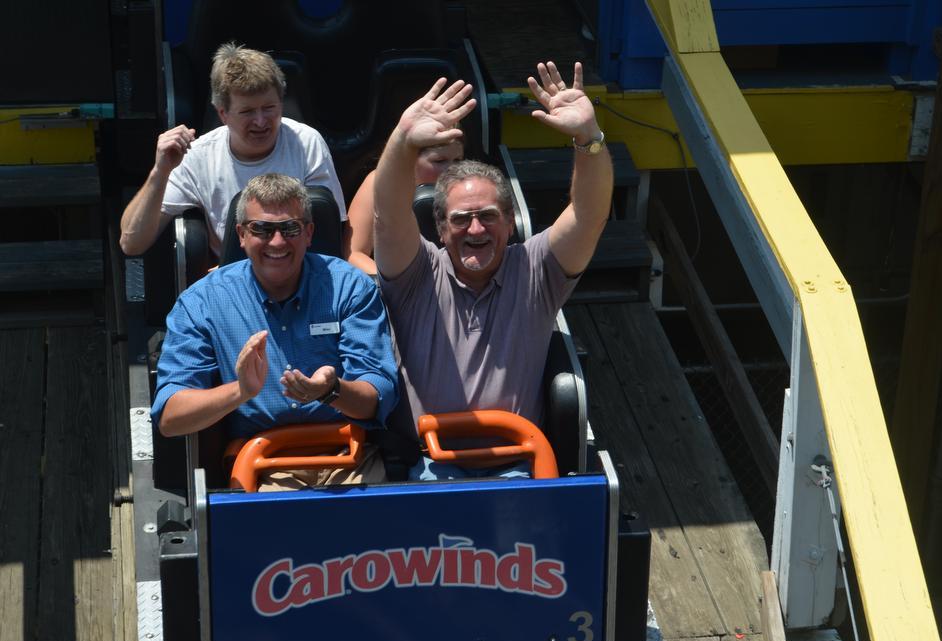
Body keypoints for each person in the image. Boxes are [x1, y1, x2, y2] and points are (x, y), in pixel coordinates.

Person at [371, 61, 612, 480]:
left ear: (509, 220)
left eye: (488, 216)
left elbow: (589, 215)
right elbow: (388, 214)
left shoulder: (535, 268)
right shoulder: (417, 272)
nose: (476, 229)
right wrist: (403, 140)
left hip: (519, 466)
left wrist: (587, 137)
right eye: (462, 219)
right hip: (428, 469)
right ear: (441, 228)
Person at [151, 173, 397, 490]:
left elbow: (378, 395)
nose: (277, 242)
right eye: (262, 230)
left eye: (290, 228)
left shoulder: (349, 286)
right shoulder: (202, 301)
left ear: (309, 233)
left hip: (351, 457)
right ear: (241, 234)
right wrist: (240, 391)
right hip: (258, 464)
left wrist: (331, 391)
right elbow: (171, 417)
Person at [119, 42, 346, 258]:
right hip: (234, 281)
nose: (260, 121)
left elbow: (329, 231)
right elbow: (131, 243)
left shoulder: (306, 142)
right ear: (223, 114)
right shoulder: (198, 156)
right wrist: (161, 171)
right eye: (247, 112)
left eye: (269, 108)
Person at [343, 135, 464, 275]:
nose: (451, 170)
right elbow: (353, 254)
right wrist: (397, 285)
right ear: (409, 159)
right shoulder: (380, 184)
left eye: (457, 161)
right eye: (439, 161)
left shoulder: (468, 191)